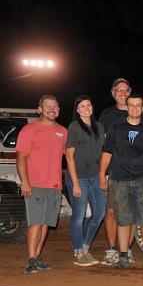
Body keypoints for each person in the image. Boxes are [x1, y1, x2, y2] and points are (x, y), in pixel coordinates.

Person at [99, 78, 143, 265]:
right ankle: (114, 250)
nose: (122, 94)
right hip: (118, 175)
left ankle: (139, 253)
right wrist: (103, 173)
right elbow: (106, 148)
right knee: (117, 214)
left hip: (142, 178)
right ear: (114, 93)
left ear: (141, 107)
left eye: (137, 105)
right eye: (118, 90)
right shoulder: (110, 119)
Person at [16, 95, 67, 274]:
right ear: (40, 109)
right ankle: (30, 259)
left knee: (46, 223)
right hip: (35, 183)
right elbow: (21, 158)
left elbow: (67, 157)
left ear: (59, 109)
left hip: (54, 186)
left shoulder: (63, 131)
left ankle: (36, 257)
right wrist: (25, 182)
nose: (52, 109)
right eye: (48, 106)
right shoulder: (30, 130)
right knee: (36, 222)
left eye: (55, 106)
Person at [65, 95, 106, 266]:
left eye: (88, 105)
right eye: (82, 106)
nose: (86, 108)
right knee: (79, 215)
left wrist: (103, 175)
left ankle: (86, 247)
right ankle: (78, 252)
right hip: (79, 177)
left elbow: (104, 152)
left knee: (99, 214)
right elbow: (69, 156)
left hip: (95, 176)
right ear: (77, 110)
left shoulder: (99, 126)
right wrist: (74, 182)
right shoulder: (74, 127)